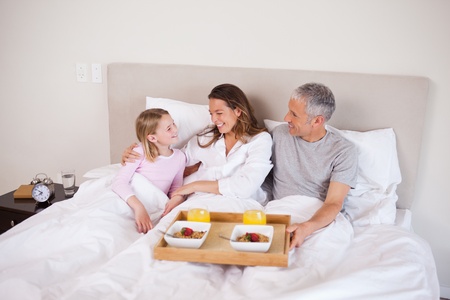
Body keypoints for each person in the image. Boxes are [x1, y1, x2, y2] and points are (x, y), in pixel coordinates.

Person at [122, 83, 273, 206]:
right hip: (199, 202)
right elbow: (172, 161)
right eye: (211, 113)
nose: (214, 119)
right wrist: (139, 151)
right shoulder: (206, 137)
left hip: (242, 204)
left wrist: (195, 185)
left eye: (219, 113)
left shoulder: (260, 140)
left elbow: (245, 187)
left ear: (238, 111)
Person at [269, 82, 358, 250]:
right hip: (280, 212)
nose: (286, 118)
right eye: (289, 110)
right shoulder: (279, 135)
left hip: (320, 219)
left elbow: (333, 203)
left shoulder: (343, 151)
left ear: (317, 121)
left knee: (316, 264)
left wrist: (306, 227)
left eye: (294, 114)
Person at [112, 108, 186, 234]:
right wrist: (139, 208)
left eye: (173, 123)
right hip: (129, 201)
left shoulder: (179, 157)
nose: (175, 129)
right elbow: (119, 183)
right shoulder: (138, 152)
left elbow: (176, 187)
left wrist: (177, 198)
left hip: (153, 206)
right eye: (169, 128)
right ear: (152, 138)